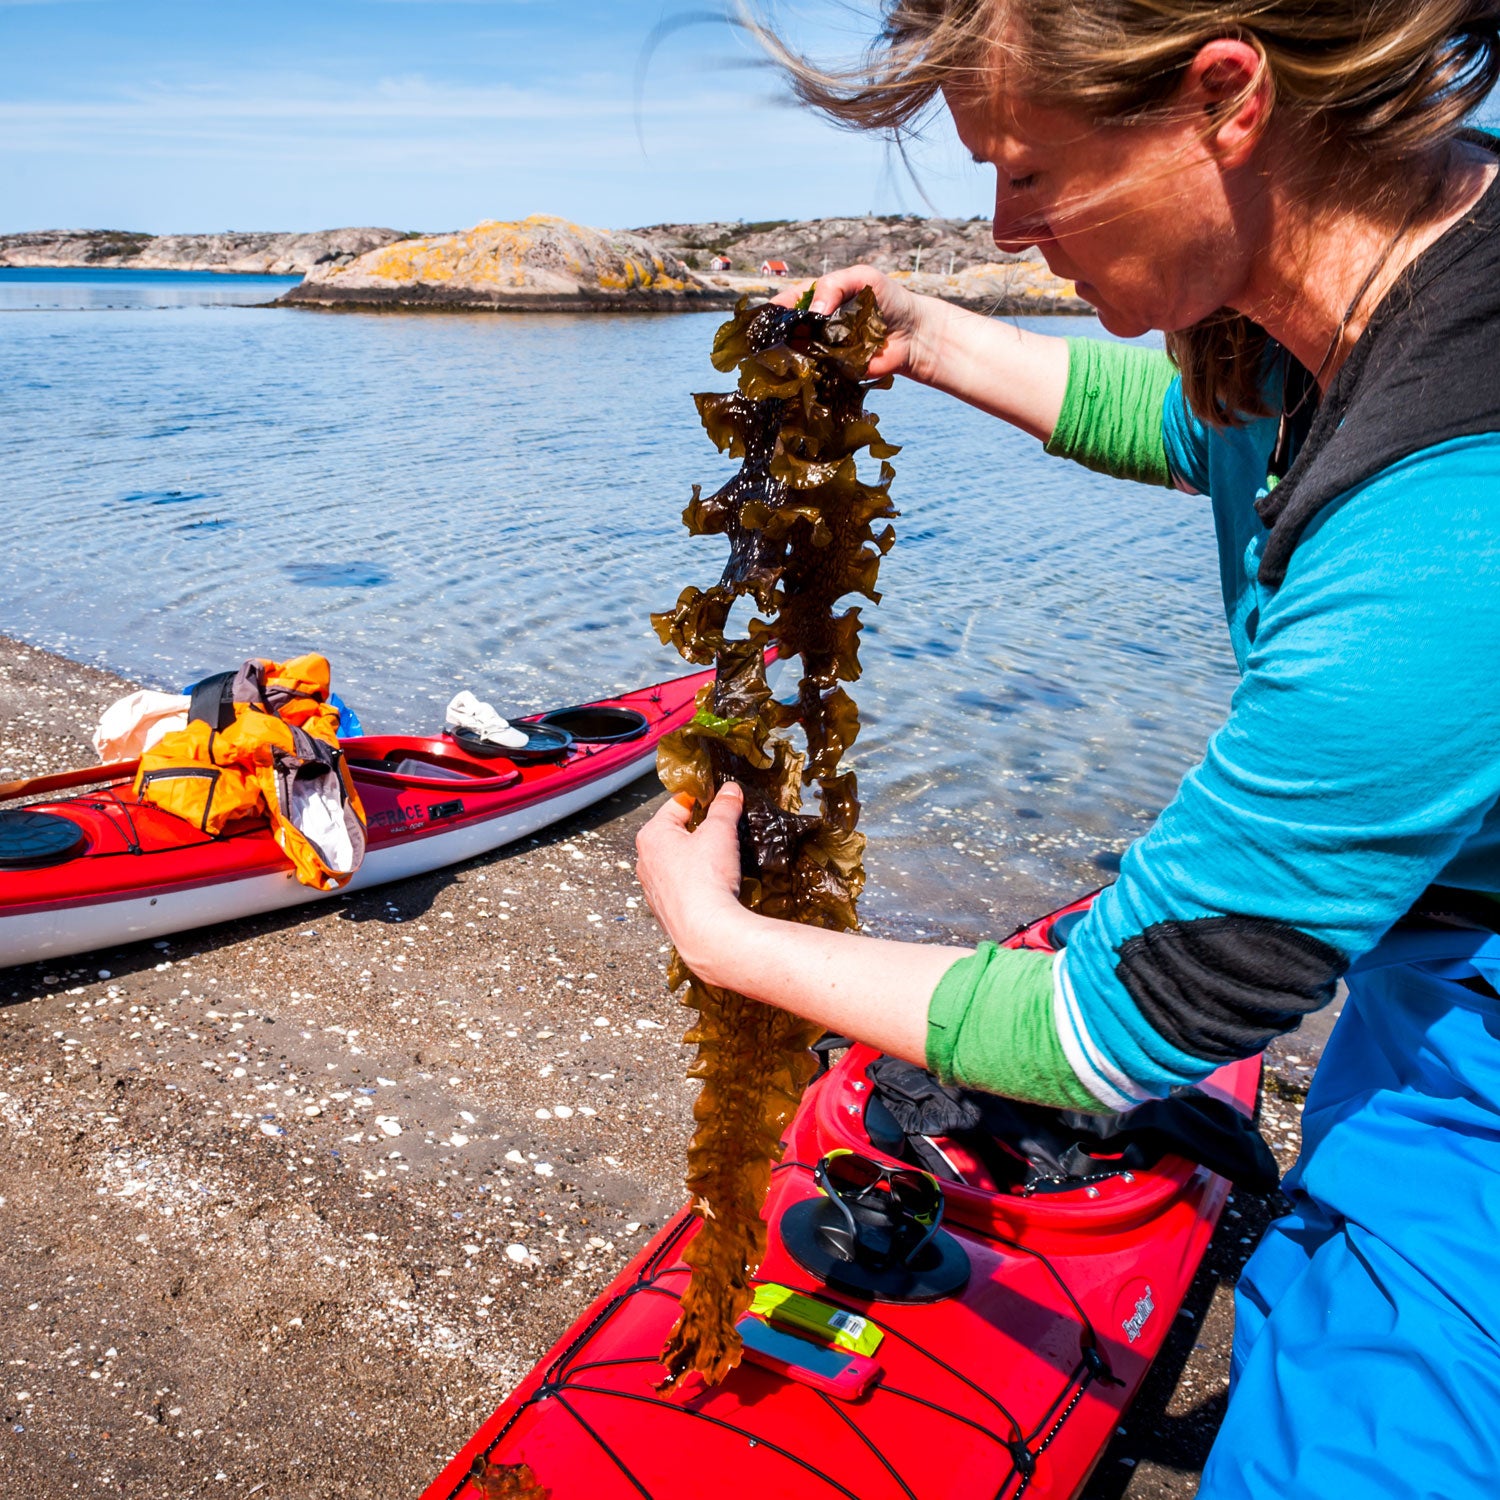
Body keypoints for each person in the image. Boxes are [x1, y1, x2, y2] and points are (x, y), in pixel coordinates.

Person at [634, 2, 1500, 1495]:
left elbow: (1137, 1018)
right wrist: (935, 335)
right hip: (1430, 967)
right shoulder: (1393, 265)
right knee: (1325, 1288)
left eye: (1028, 170)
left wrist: (721, 937)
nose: (1004, 222)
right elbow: (1198, 429)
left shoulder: (1450, 505)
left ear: (1225, 98)